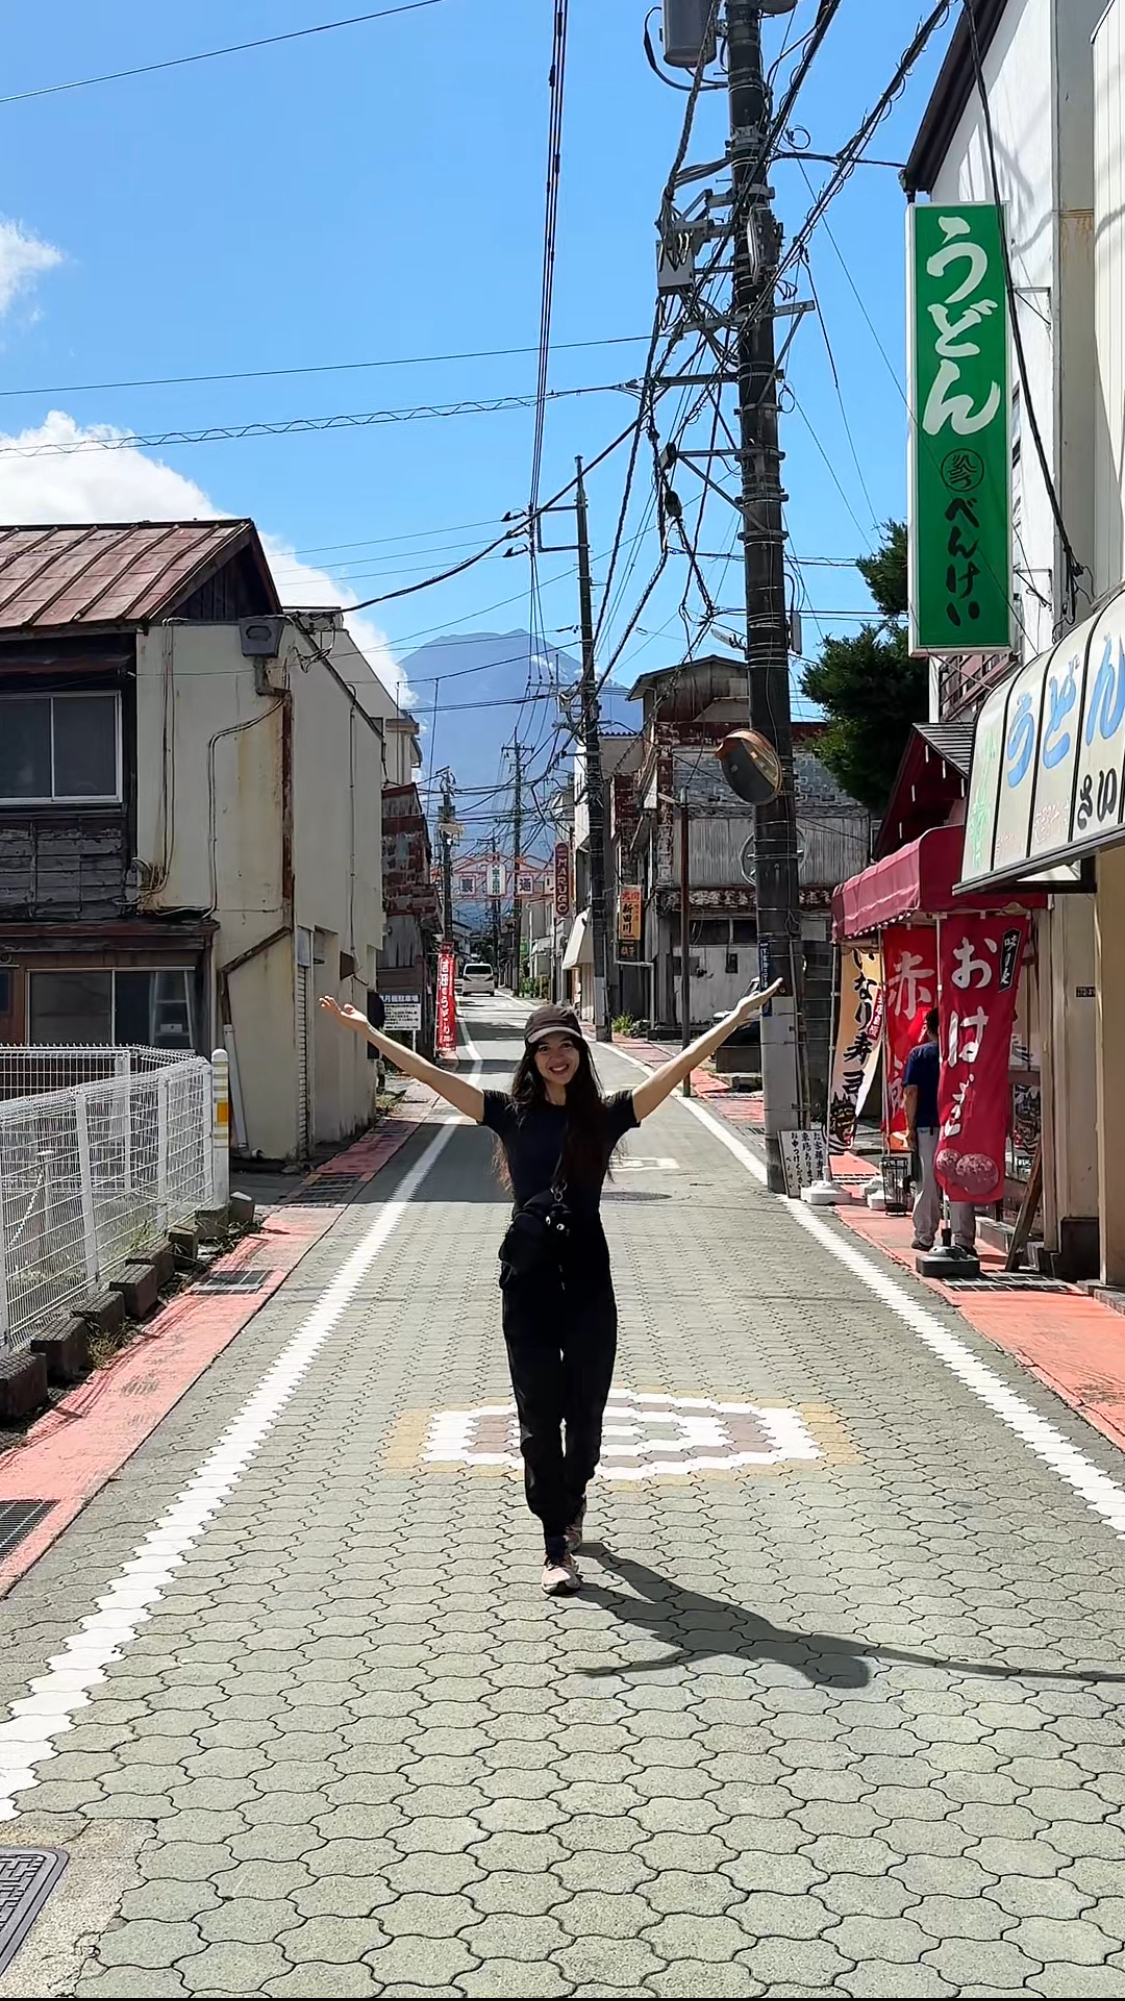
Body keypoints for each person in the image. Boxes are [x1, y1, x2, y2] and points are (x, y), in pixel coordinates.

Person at [320, 983, 780, 1596]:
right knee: (538, 1413)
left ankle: (576, 1493)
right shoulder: (508, 1115)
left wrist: (737, 1020)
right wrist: (371, 1036)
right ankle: (555, 1543)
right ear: (531, 1058)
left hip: (589, 1277)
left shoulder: (605, 1116)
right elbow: (430, 1075)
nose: (557, 1056)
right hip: (529, 1280)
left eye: (567, 1045)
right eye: (545, 1048)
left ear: (580, 1055)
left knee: (585, 1411)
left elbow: (679, 1067)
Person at [903, 1006, 976, 1258]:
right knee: (958, 1181)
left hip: (928, 1126)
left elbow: (911, 1093)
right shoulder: (964, 1055)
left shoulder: (918, 1055)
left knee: (928, 1183)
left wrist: (910, 1127)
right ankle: (963, 1239)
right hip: (959, 1126)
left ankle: (924, 1236)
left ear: (930, 1027)